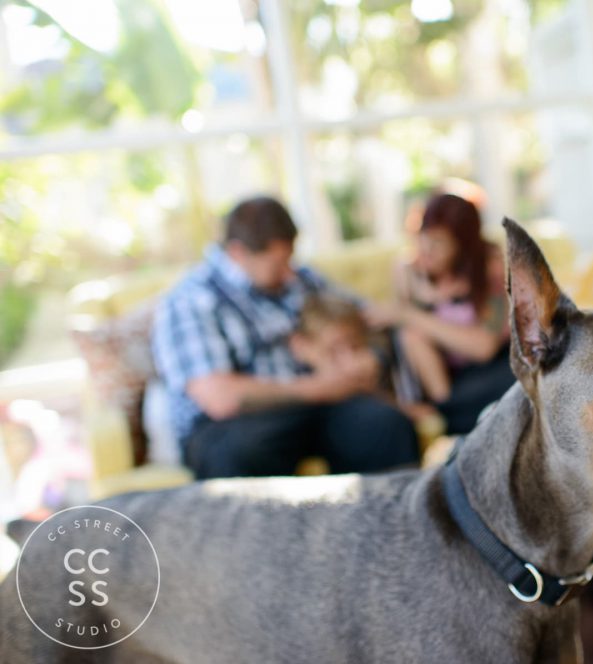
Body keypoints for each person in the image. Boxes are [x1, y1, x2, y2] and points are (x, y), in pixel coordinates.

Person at [152, 195, 419, 479]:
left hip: (317, 408)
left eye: (290, 259)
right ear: (238, 252)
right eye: (277, 263)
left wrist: (366, 359)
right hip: (233, 425)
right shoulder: (191, 300)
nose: (289, 272)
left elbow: (368, 318)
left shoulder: (301, 279)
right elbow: (220, 398)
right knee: (239, 453)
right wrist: (319, 387)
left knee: (385, 425)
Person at [366, 192, 515, 434]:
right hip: (445, 385)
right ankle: (450, 414)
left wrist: (409, 314)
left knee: (521, 380)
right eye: (423, 237)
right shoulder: (408, 272)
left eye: (438, 243)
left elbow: (484, 347)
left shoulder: (488, 268)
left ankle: (454, 417)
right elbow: (408, 341)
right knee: (411, 335)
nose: (426, 249)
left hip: (490, 367)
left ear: (463, 246)